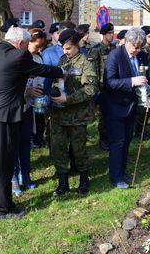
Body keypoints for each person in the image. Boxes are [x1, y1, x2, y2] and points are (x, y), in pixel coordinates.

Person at [0, 26, 64, 220]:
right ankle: (3, 209)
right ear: (19, 43)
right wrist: (61, 71)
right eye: (24, 46)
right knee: (5, 164)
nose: (25, 49)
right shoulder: (19, 56)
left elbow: (6, 76)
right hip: (3, 118)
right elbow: (41, 69)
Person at [99, 27, 150, 189]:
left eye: (140, 47)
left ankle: (122, 172)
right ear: (126, 41)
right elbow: (109, 82)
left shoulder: (141, 55)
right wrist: (131, 82)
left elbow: (147, 79)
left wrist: (148, 96)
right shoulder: (115, 55)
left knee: (127, 140)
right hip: (114, 106)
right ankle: (116, 177)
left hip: (131, 106)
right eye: (135, 46)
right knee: (118, 142)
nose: (137, 50)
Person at [50, 29, 98, 195]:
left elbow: (90, 89)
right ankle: (63, 183)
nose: (65, 51)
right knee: (58, 148)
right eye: (63, 48)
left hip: (77, 115)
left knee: (79, 150)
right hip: (59, 115)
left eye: (68, 48)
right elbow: (56, 83)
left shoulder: (86, 62)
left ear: (77, 45)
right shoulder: (62, 60)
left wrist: (68, 99)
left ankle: (84, 180)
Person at [11, 28, 47, 196]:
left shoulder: (38, 57)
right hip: (13, 108)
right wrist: (27, 91)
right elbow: (9, 85)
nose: (39, 50)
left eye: (41, 47)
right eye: (36, 46)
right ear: (27, 43)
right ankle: (13, 179)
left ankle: (25, 175)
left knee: (25, 143)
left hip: (27, 107)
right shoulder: (16, 59)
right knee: (13, 145)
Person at [89, 23, 116, 150]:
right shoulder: (96, 50)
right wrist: (96, 90)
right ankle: (103, 139)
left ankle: (111, 137)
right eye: (110, 33)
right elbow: (94, 71)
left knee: (113, 114)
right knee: (104, 116)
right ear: (104, 34)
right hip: (103, 88)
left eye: (112, 32)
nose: (112, 35)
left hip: (115, 87)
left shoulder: (115, 48)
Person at [135, 25, 150, 140]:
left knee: (149, 108)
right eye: (149, 36)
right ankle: (139, 131)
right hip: (143, 84)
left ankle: (143, 129)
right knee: (142, 109)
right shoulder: (140, 51)